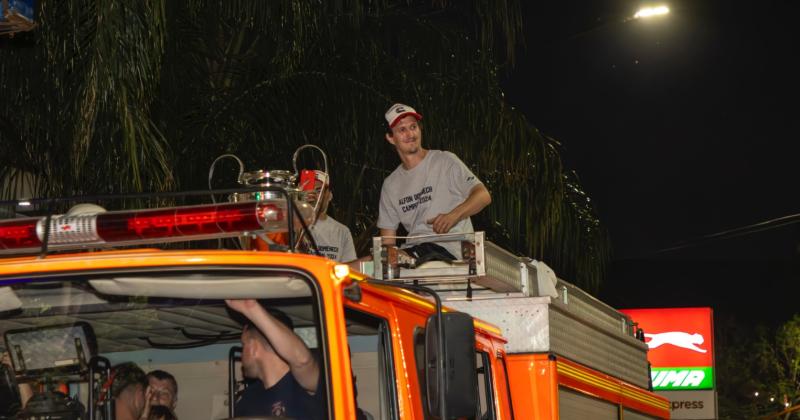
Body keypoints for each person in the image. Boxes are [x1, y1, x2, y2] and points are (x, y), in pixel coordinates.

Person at [378, 103, 492, 259]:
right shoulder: (390, 184)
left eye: (413, 127)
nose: (410, 134)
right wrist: (387, 258)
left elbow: (483, 195)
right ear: (390, 138)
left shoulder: (444, 160)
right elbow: (388, 243)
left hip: (452, 250)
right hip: (414, 253)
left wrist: (454, 215)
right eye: (402, 130)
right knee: (366, 265)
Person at [226, 299, 323, 419]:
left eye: (243, 345)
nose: (241, 355)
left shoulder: (304, 383)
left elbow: (302, 360)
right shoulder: (248, 399)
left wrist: (251, 308)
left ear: (252, 347)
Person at [307, 176, 357, 263]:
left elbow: (349, 268)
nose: (314, 195)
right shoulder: (294, 224)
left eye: (319, 191)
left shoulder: (342, 231)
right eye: (310, 191)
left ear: (329, 195)